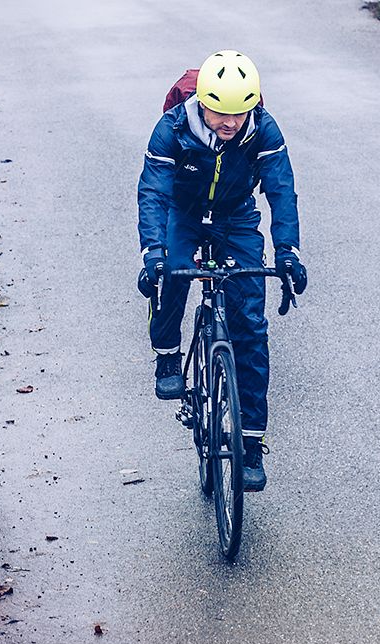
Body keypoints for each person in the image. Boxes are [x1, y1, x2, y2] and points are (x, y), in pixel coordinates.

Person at [136, 50, 306, 492]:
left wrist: (288, 252)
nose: (230, 122)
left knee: (249, 322)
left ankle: (250, 443)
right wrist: (152, 252)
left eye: (239, 112)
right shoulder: (173, 128)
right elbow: (153, 192)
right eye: (221, 112)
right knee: (171, 272)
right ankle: (167, 354)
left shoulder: (263, 129)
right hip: (184, 212)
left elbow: (281, 189)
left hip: (235, 215)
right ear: (203, 102)